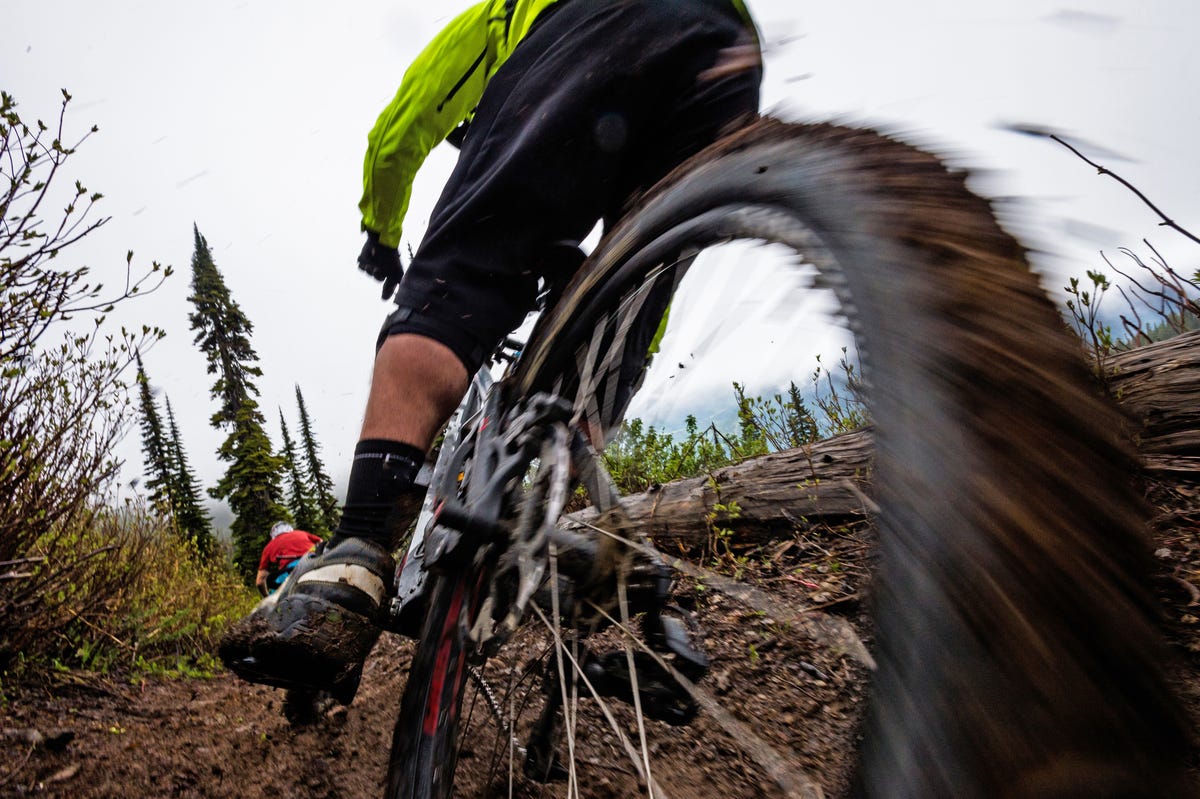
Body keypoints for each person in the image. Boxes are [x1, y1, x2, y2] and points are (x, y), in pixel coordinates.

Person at [220, 0, 763, 698]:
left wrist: (380, 232)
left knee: (457, 284)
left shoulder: (505, 12)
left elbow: (398, 132)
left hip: (594, 23)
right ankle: (628, 605)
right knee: (632, 272)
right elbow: (646, 278)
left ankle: (354, 554)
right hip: (724, 59)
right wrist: (615, 374)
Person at [255, 522, 323, 596]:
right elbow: (321, 542)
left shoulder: (269, 546)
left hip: (290, 571)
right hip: (314, 562)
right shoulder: (301, 533)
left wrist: (267, 596)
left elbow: (260, 581)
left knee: (275, 598)